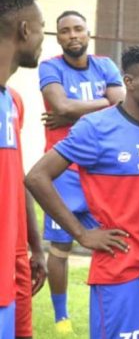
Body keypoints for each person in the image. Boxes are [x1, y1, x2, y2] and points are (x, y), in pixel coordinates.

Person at [26, 44, 139, 339]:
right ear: (129, 83)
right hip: (121, 268)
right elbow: (37, 177)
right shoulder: (95, 127)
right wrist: (81, 234)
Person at [38, 10, 125, 334]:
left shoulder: (105, 64)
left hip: (102, 170)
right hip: (63, 172)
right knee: (61, 248)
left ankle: (111, 306)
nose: (72, 35)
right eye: (65, 31)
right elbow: (60, 107)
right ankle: (62, 318)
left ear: (88, 33)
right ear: (58, 37)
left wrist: (74, 110)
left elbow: (122, 103)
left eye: (78, 29)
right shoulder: (50, 67)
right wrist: (102, 102)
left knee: (114, 239)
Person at [0, 0, 44, 339]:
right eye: (43, 29)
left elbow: (16, 179)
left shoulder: (12, 100)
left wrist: (34, 247)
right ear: (25, 30)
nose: (46, 39)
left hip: (11, 269)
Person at [10, 86, 47, 339]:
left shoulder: (13, 99)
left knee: (21, 332)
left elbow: (16, 173)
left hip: (15, 251)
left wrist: (35, 247)